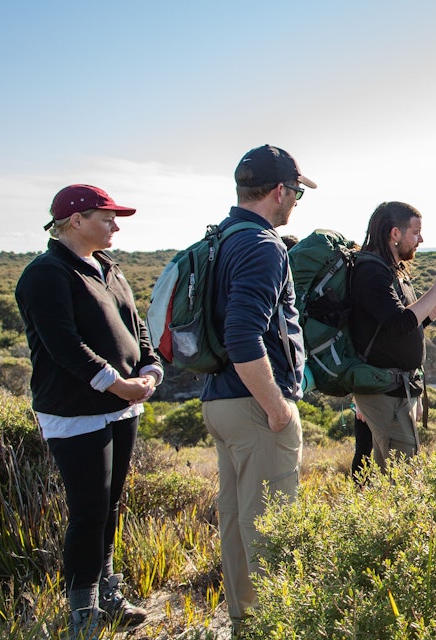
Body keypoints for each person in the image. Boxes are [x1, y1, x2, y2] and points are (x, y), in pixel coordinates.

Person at [15, 184, 160, 633]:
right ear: (75, 221)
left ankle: (108, 594)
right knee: (88, 510)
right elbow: (63, 345)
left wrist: (151, 372)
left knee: (111, 505)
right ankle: (84, 614)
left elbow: (138, 330)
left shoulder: (109, 268)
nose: (115, 225)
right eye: (106, 217)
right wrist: (116, 384)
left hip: (121, 408)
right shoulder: (46, 273)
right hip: (75, 411)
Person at [200, 144, 312, 630]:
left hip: (220, 399)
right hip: (254, 404)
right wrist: (278, 407)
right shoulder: (263, 246)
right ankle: (276, 622)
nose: (295, 203)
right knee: (270, 522)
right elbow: (243, 334)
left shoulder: (220, 237)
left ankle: (246, 619)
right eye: (297, 193)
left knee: (237, 518)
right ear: (280, 191)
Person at [349, 201, 436, 466]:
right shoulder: (371, 271)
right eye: (415, 232)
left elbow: (413, 324)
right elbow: (399, 323)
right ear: (395, 234)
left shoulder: (394, 271)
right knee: (402, 473)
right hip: (384, 389)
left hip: (397, 390)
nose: (420, 239)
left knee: (394, 472)